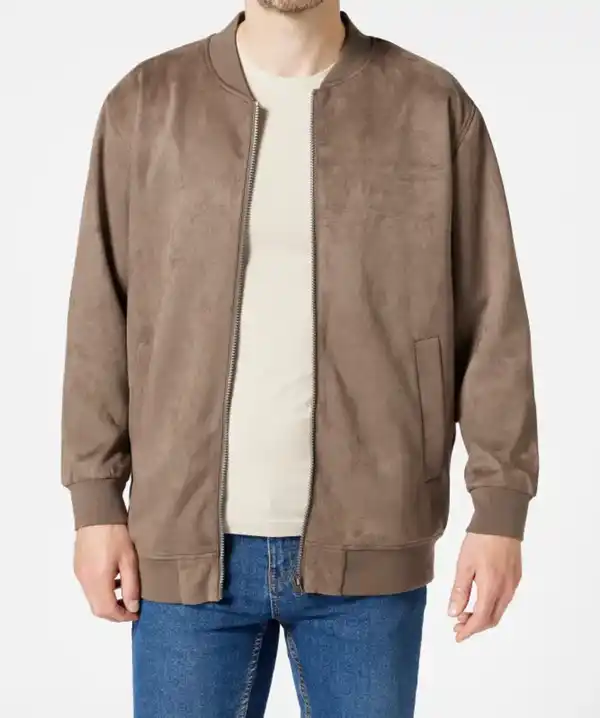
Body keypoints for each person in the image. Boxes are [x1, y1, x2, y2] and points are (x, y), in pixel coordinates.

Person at [62, 1, 539, 715]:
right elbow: (100, 315)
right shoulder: (148, 104)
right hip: (184, 552)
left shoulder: (430, 106)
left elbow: (491, 317)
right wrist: (96, 501)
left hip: (374, 541)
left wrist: (500, 509)